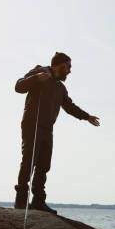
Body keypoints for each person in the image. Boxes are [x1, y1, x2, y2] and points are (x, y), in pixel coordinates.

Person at [14, 52, 100, 214]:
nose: (70, 71)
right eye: (68, 67)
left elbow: (69, 106)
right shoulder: (40, 71)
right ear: (60, 65)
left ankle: (39, 201)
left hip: (48, 129)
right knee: (28, 161)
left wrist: (86, 116)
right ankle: (21, 201)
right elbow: (18, 86)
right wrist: (36, 78)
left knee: (44, 164)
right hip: (32, 125)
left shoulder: (60, 88)